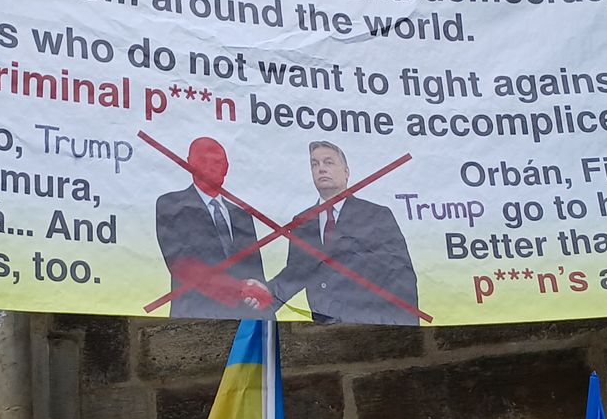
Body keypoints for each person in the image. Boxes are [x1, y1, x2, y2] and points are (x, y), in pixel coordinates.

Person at [269, 141, 419, 325]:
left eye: (328, 162)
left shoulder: (376, 215)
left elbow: (401, 278)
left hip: (371, 329)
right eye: (315, 164)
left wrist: (406, 332)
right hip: (324, 333)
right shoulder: (302, 222)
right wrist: (263, 294)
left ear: (346, 172)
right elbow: (296, 273)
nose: (321, 169)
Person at [155, 136, 270, 319]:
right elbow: (183, 266)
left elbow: (257, 273)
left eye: (217, 161)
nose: (210, 166)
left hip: (246, 321)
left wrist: (263, 300)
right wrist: (239, 289)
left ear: (226, 167)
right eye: (202, 160)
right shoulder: (171, 205)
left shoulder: (242, 215)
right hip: (195, 321)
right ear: (189, 164)